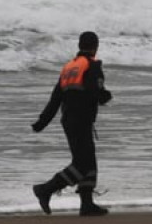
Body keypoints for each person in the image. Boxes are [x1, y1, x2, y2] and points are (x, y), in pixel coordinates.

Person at [31, 31, 113, 216]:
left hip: (68, 120)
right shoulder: (92, 66)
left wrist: (42, 122)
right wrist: (104, 96)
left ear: (79, 46)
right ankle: (46, 189)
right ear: (96, 47)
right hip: (81, 121)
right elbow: (95, 91)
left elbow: (55, 99)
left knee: (88, 162)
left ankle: (87, 205)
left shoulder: (69, 68)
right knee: (83, 165)